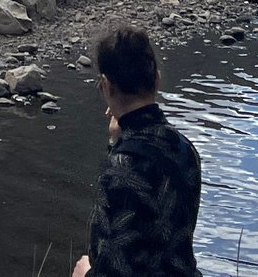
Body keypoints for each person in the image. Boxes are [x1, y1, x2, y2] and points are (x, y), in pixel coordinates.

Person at [71, 26, 200, 277]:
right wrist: (119, 141)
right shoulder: (185, 149)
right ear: (157, 79)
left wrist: (84, 273)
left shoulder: (121, 167)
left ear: (107, 86)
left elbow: (114, 267)